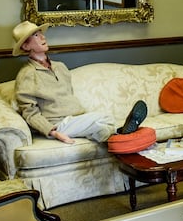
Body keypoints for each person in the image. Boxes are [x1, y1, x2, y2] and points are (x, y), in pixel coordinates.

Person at [12, 21, 147, 144]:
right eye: (36, 35)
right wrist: (54, 132)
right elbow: (30, 113)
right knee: (105, 117)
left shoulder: (60, 67)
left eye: (41, 33)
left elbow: (68, 95)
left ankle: (119, 138)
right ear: (26, 46)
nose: (43, 37)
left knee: (102, 129)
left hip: (76, 119)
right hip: (57, 124)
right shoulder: (27, 74)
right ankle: (123, 134)